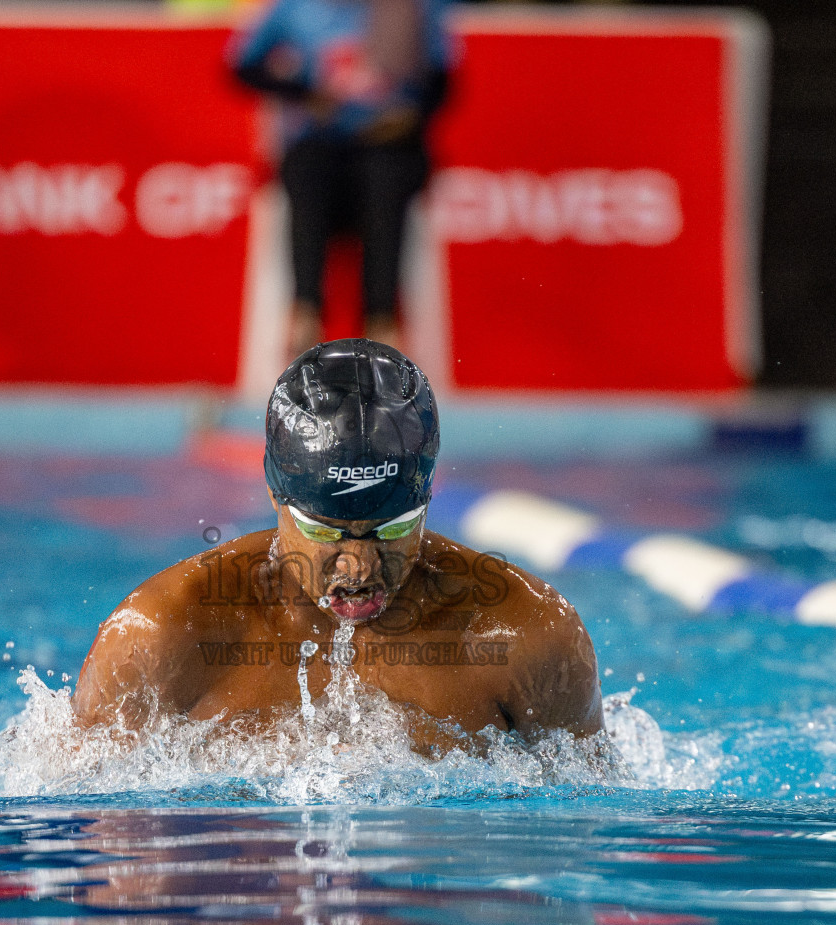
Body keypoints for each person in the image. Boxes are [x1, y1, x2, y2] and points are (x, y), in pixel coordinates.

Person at [74, 338, 606, 752]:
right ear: (274, 494)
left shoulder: (527, 637)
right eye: (327, 532)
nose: (359, 565)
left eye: (392, 528)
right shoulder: (161, 635)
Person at [231, 0, 452, 356]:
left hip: (388, 145)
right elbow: (241, 66)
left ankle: (382, 323)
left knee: (384, 182)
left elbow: (444, 81)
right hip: (320, 142)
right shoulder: (295, 8)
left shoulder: (408, 9)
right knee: (307, 173)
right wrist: (304, 93)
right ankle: (305, 313)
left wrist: (409, 115)